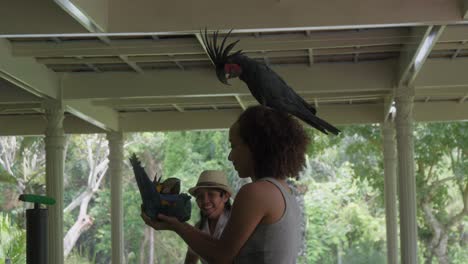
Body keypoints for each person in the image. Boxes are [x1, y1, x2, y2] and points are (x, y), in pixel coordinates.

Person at [142, 105, 309, 263]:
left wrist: (177, 227)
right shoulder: (283, 190)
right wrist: (178, 225)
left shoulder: (256, 192)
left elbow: (221, 256)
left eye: (233, 146)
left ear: (255, 146)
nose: (230, 156)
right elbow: (222, 247)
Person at [184, 170, 233, 264]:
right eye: (200, 196)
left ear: (225, 197)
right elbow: (190, 260)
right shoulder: (198, 227)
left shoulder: (236, 222)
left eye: (211, 194)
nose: (205, 201)